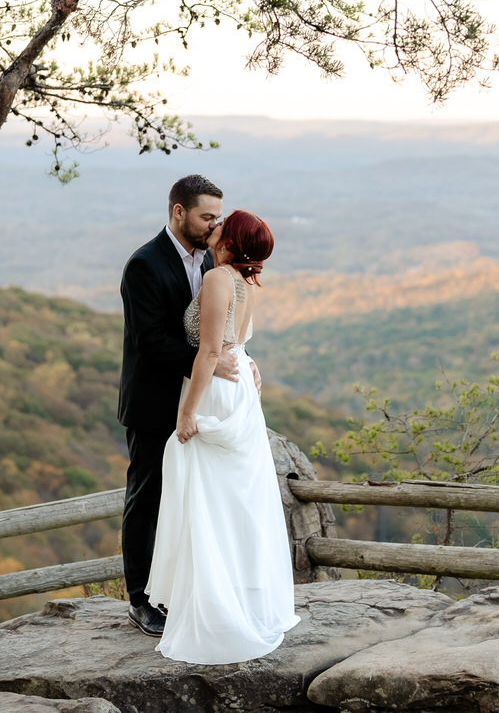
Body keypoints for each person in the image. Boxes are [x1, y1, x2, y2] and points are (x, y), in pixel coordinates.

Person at [145, 210, 300, 664]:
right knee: (233, 499)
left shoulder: (217, 279)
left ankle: (214, 608)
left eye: (220, 224)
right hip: (240, 396)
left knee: (206, 496)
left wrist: (187, 413)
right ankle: (235, 597)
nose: (214, 226)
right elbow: (236, 342)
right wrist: (248, 361)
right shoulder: (247, 283)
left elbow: (211, 349)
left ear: (229, 240)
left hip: (213, 391)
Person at [118, 175, 242, 637]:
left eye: (218, 216)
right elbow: (150, 342)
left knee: (194, 497)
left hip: (201, 401)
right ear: (178, 212)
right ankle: (140, 601)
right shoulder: (144, 265)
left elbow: (219, 325)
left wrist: (240, 360)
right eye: (207, 216)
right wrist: (208, 363)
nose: (215, 224)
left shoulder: (214, 259)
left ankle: (182, 590)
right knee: (146, 498)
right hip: (154, 401)